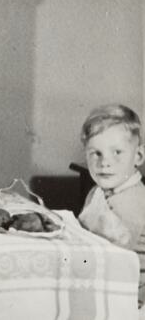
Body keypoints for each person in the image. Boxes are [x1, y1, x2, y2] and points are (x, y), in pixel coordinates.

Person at [78, 104, 145, 310]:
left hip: (131, 300)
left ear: (138, 157)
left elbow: (112, 263)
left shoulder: (134, 203)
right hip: (102, 283)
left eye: (117, 152)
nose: (104, 163)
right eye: (95, 153)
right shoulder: (96, 192)